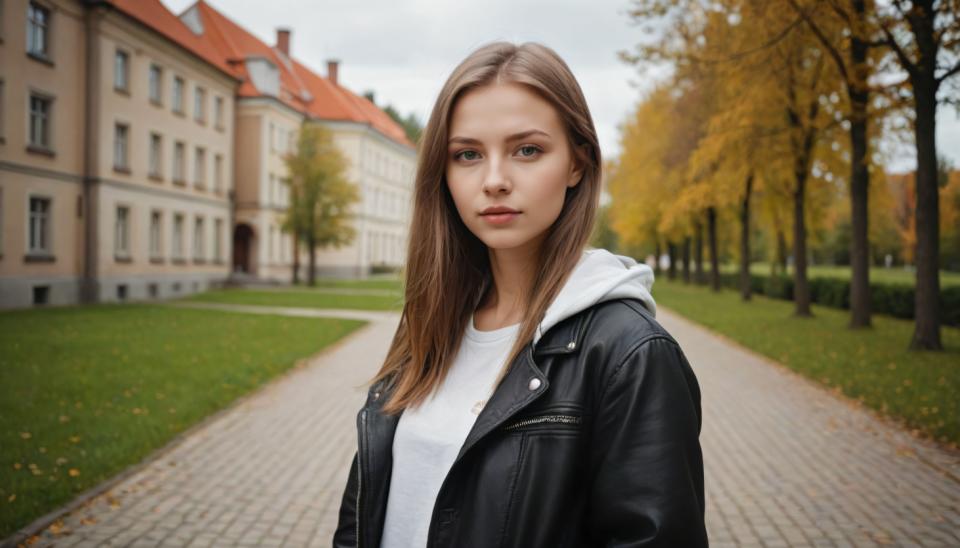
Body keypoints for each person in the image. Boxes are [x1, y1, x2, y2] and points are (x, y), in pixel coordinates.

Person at [333, 41, 707, 548]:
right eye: (467, 154)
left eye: (527, 150)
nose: (493, 181)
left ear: (578, 163)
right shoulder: (431, 322)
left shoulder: (629, 354)